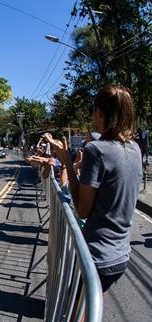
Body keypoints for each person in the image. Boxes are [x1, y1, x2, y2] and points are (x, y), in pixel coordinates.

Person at [47, 86, 142, 294]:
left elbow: (82, 210)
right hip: (121, 255)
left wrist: (67, 163)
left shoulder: (95, 150)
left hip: (97, 257)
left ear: (98, 113)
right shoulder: (135, 148)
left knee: (74, 320)